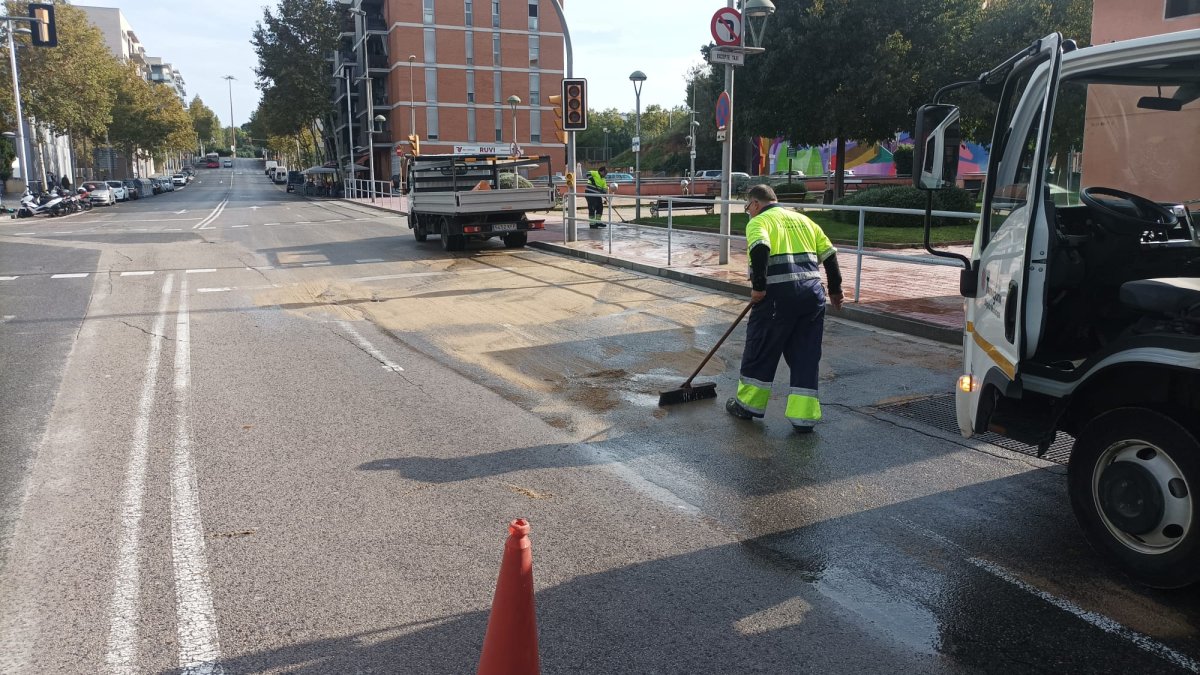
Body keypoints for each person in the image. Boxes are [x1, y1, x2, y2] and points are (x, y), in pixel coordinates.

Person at [726, 184, 844, 433]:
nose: (748, 212)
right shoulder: (804, 220)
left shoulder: (759, 222)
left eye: (748, 207)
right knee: (806, 354)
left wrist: (758, 287)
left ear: (756, 203)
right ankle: (804, 418)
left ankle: (747, 406)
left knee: (761, 348)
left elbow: (760, 249)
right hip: (812, 297)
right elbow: (830, 256)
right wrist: (835, 290)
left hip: (777, 298)